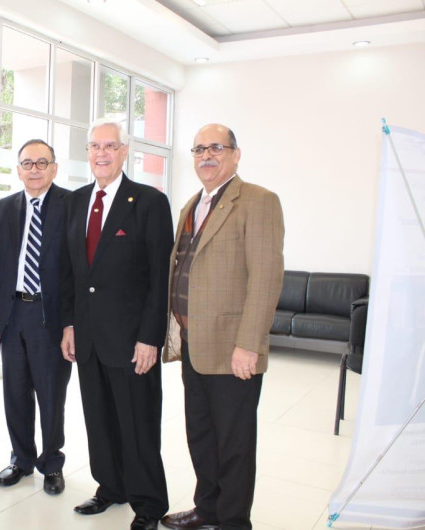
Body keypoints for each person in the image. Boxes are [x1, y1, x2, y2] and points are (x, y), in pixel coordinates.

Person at [161, 124, 284, 530]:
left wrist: (249, 344)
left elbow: (266, 278)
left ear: (236, 154)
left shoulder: (258, 201)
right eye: (198, 149)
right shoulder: (191, 205)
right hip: (193, 343)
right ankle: (207, 509)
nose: (206, 155)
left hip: (234, 350)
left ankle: (233, 521)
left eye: (216, 147)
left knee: (233, 442)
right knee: (201, 433)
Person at [60, 118, 174, 530]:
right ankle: (110, 487)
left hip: (131, 341)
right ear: (87, 152)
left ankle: (148, 504)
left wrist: (150, 338)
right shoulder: (75, 202)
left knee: (137, 422)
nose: (102, 154)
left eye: (110, 146)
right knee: (99, 419)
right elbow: (72, 272)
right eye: (95, 146)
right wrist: (69, 325)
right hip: (88, 338)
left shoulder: (148, 202)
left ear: (125, 152)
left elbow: (159, 278)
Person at [0, 139, 71, 495]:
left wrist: (72, 323)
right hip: (12, 313)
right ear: (17, 170)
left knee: (51, 393)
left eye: (41, 163)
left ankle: (52, 463)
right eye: (27, 163)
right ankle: (21, 459)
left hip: (51, 316)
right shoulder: (3, 208)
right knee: (15, 391)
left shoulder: (72, 204)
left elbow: (79, 271)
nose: (34, 169)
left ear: (54, 167)